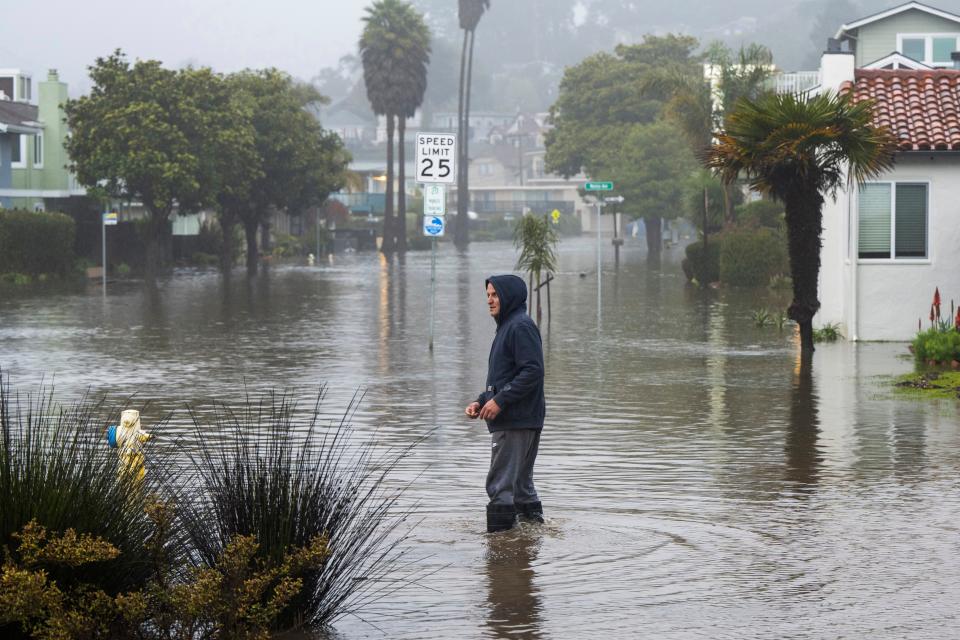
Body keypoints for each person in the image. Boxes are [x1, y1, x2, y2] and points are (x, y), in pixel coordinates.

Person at [465, 275, 545, 533]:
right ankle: (530, 542)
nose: (489, 300)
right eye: (488, 295)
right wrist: (481, 401)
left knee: (500, 486)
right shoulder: (508, 327)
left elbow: (533, 371)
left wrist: (500, 401)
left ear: (509, 296)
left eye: (495, 295)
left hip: (514, 420)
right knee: (521, 486)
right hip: (521, 418)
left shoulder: (519, 326)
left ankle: (501, 556)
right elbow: (506, 377)